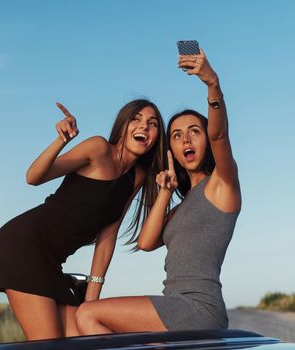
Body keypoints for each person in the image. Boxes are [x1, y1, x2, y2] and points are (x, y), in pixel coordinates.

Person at [75, 48, 241, 334]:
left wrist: (212, 85)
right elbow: (146, 241)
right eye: (177, 135)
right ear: (171, 150)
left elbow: (220, 134)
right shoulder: (184, 204)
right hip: (176, 305)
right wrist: (164, 191)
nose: (185, 139)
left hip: (199, 308)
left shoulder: (222, 184)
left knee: (89, 314)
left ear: (206, 140)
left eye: (194, 131)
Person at [0, 99, 166, 340]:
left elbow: (109, 233)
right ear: (123, 125)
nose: (143, 126)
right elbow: (33, 177)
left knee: (82, 338)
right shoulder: (98, 148)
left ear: (157, 136)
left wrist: (93, 294)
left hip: (51, 263)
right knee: (50, 345)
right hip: (22, 245)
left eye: (152, 123)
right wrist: (61, 141)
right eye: (136, 119)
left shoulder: (137, 176)